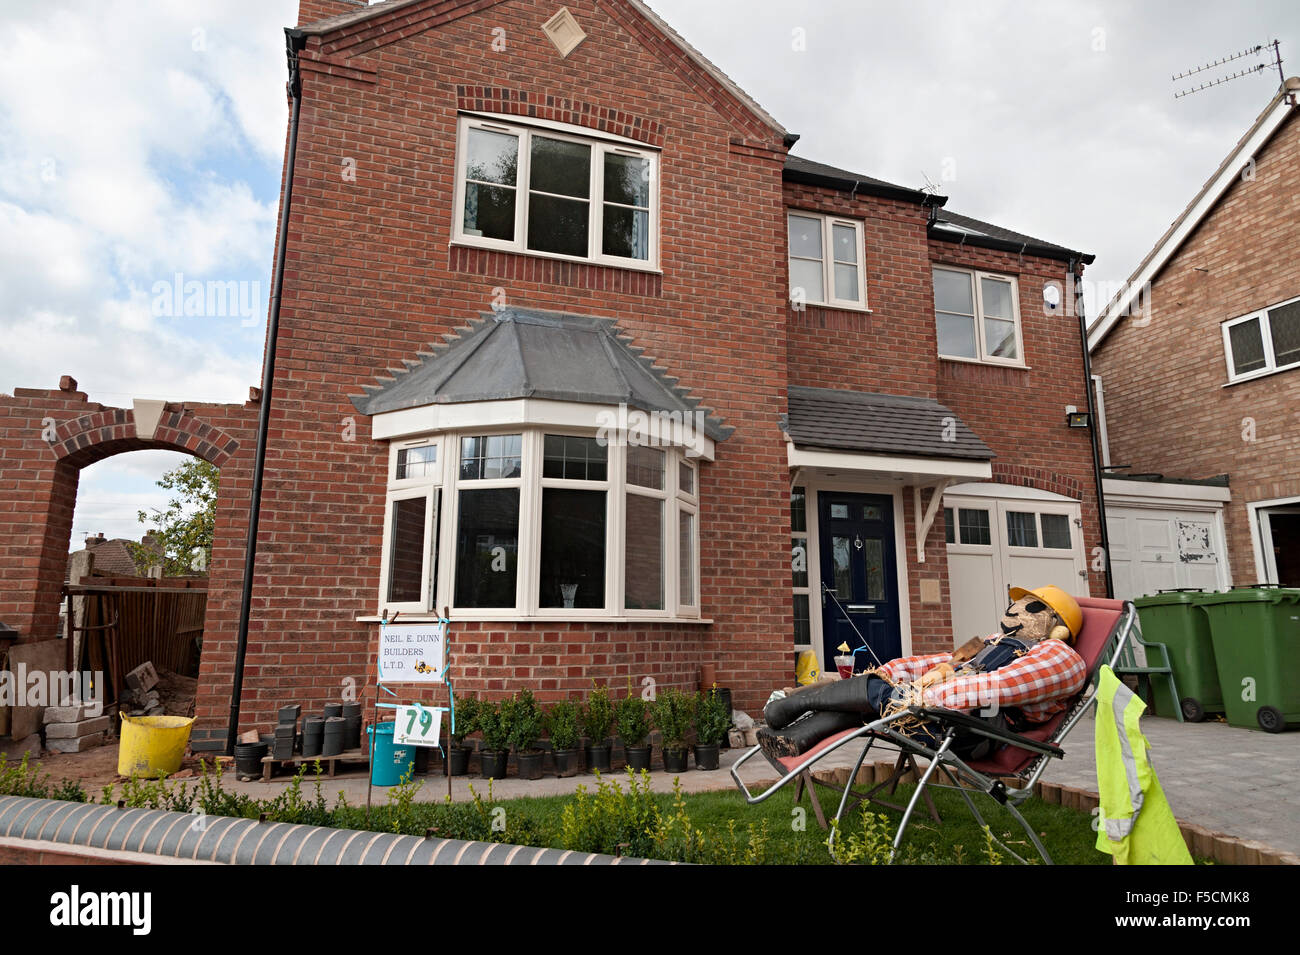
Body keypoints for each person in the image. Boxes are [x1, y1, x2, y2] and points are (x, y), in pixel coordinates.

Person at [757, 586, 1088, 759]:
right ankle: (794, 738)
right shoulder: (990, 641)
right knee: (877, 697)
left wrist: (919, 697)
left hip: (974, 729)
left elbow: (996, 687)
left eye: (1031, 607)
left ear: (1055, 625)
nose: (1014, 609)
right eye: (1016, 602)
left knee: (883, 699)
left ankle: (798, 702)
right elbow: (946, 661)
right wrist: (893, 675)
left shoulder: (1061, 656)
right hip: (939, 713)